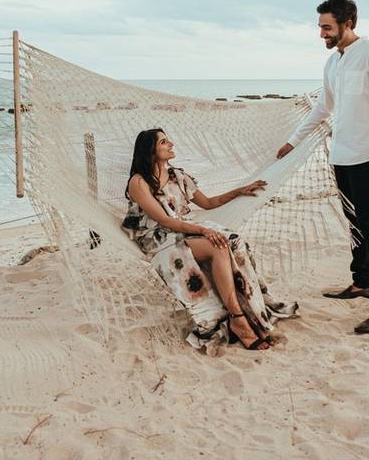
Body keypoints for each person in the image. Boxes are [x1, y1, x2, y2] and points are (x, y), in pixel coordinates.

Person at [276, 0, 369, 334]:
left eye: (327, 27)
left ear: (347, 23)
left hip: (368, 157)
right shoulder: (334, 63)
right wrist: (292, 140)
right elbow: (322, 107)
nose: (322, 34)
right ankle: (361, 282)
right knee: (355, 225)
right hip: (341, 157)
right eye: (320, 27)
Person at [123, 128, 297, 350]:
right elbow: (165, 221)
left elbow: (208, 203)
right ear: (150, 150)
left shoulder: (178, 176)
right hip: (159, 238)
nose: (171, 144)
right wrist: (203, 231)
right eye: (164, 142)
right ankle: (238, 317)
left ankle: (244, 313)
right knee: (216, 246)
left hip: (182, 230)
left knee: (228, 242)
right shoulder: (139, 183)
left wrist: (240, 191)